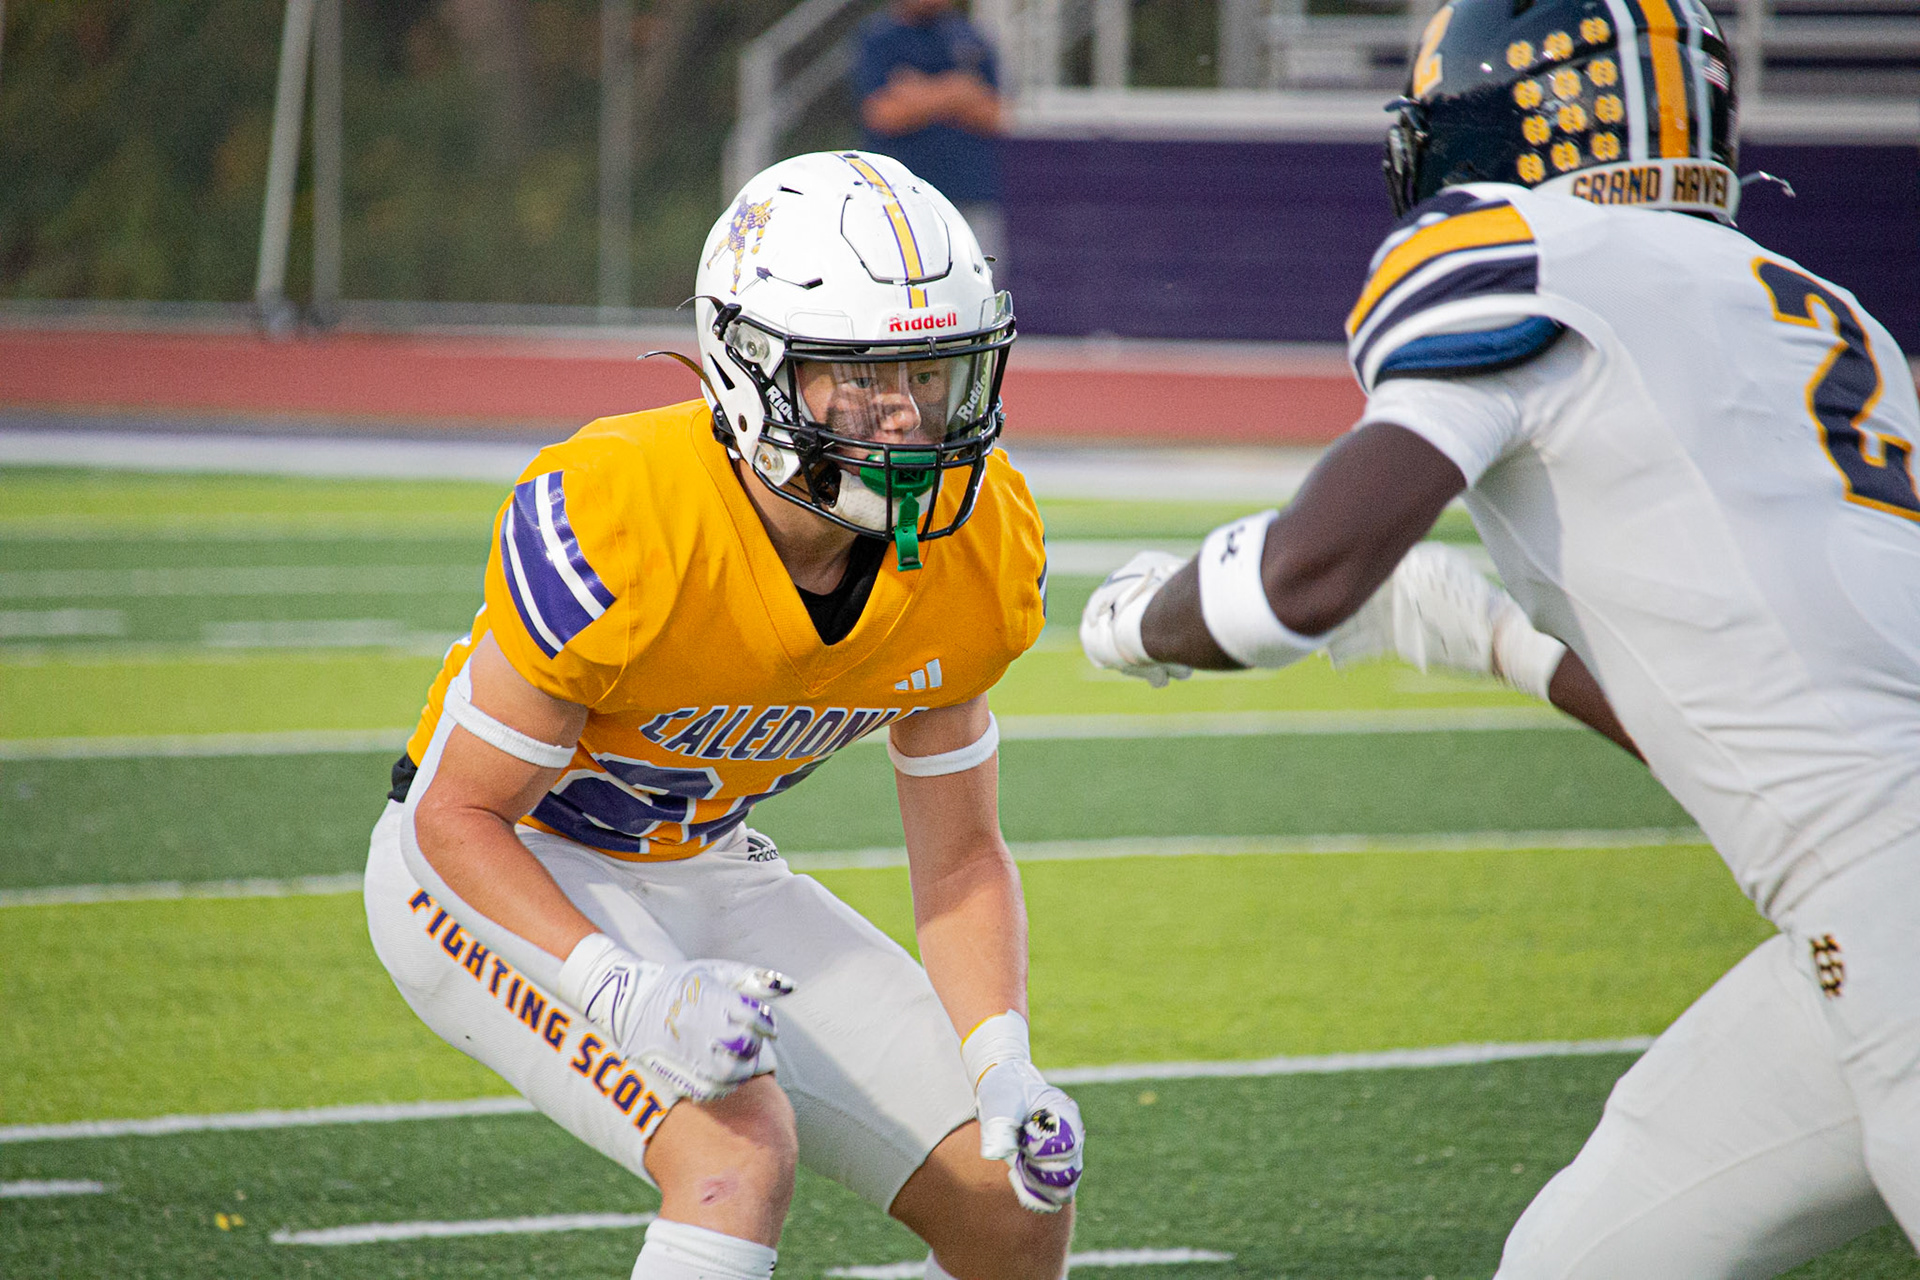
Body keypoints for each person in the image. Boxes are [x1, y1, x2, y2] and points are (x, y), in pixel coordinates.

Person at [1079, 0, 1920, 1273]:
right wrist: (1494, 639)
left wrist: (1139, 620)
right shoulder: (1823, 313)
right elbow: (1742, 716)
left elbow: (1292, 586)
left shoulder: (1528, 246)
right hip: (1864, 896)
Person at [364, 150, 1082, 1280]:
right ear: (750, 370)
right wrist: (624, 991)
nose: (906, 417)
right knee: (735, 1154)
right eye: (860, 379)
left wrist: (1003, 1062)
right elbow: (453, 817)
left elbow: (960, 860)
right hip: (498, 868)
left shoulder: (974, 544)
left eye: (932, 374)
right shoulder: (628, 513)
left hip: (704, 860)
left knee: (1012, 1200)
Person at [854, 0, 1007, 265]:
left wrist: (917, 95)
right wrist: (958, 92)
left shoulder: (971, 38)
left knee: (978, 277)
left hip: (969, 196)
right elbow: (883, 114)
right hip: (898, 203)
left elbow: (997, 116)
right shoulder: (879, 38)